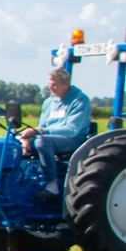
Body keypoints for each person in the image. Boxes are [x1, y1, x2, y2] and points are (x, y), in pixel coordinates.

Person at [20, 67, 92, 195]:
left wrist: (41, 131)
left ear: (66, 85)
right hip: (48, 136)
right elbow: (42, 125)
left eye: (54, 85)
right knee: (14, 142)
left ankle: (51, 185)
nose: (50, 88)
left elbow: (72, 129)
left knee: (42, 142)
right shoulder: (49, 102)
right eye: (49, 84)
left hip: (74, 139)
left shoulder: (79, 100)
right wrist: (25, 139)